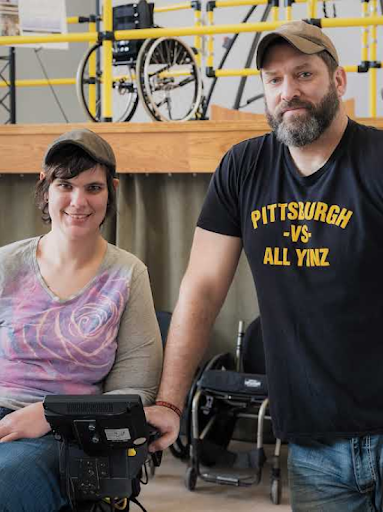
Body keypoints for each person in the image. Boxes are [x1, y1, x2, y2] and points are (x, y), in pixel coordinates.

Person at [146, 19, 383, 511]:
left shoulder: (377, 161)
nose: (288, 92)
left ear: (337, 81)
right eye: (274, 80)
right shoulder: (243, 168)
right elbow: (204, 286)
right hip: (313, 440)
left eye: (303, 74)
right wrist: (170, 401)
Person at [0, 128, 163, 511]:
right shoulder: (6, 264)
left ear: (112, 190)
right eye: (65, 185)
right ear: (45, 187)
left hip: (64, 435)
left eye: (93, 188)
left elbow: (135, 394)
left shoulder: (128, 275)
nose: (78, 201)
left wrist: (49, 414)